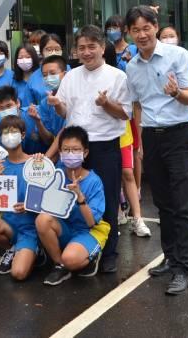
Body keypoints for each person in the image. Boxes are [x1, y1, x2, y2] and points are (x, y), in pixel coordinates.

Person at [125, 5, 188, 295]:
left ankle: (183, 268)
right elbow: (137, 106)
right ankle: (169, 257)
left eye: (146, 27)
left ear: (156, 27)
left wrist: (176, 93)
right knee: (164, 203)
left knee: (183, 205)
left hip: (179, 136)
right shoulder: (131, 66)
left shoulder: (178, 56)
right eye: (135, 29)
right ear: (129, 33)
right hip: (151, 139)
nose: (141, 34)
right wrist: (141, 142)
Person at [48, 25, 131, 273]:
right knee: (68, 196)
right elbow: (65, 112)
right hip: (73, 149)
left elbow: (125, 113)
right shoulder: (71, 76)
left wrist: (106, 104)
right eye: (81, 47)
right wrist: (56, 105)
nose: (86, 52)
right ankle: (77, 244)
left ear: (102, 47)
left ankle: (109, 253)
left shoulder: (117, 76)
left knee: (107, 199)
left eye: (91, 46)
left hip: (104, 146)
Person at [37, 126, 109, 286]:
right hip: (65, 227)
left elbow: (91, 222)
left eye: (75, 150)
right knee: (42, 220)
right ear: (60, 153)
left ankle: (90, 257)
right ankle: (59, 265)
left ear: (85, 153)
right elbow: (37, 189)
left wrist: (80, 196)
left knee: (71, 259)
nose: (70, 154)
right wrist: (37, 163)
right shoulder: (56, 173)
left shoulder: (94, 181)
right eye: (66, 150)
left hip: (87, 230)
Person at [0, 115, 41, 280]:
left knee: (18, 274)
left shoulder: (35, 163)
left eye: (13, 131)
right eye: (4, 132)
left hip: (31, 229)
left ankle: (36, 249)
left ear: (22, 135)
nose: (9, 135)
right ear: (0, 138)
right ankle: (13, 248)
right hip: (9, 226)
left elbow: (47, 197)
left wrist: (29, 205)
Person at [103, 42, 151, 238]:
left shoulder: (120, 76)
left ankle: (137, 218)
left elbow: (133, 107)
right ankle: (115, 213)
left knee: (127, 174)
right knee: (106, 177)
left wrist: (139, 137)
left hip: (122, 133)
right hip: (99, 134)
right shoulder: (81, 76)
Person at [158, 26, 188, 143]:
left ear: (178, 39)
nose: (168, 40)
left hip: (183, 125)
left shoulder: (185, 60)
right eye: (164, 37)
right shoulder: (153, 61)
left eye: (171, 36)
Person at [0, 86, 48, 154]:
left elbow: (49, 141)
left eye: (8, 106)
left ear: (17, 103)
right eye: (1, 108)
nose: (6, 111)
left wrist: (38, 122)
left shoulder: (35, 113)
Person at [35, 55, 67, 141]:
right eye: (45, 75)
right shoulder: (45, 103)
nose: (48, 78)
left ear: (64, 74)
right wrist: (38, 122)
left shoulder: (73, 97)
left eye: (53, 73)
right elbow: (48, 140)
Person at [29, 33, 66, 102]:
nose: (53, 52)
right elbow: (28, 106)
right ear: (41, 52)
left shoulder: (72, 72)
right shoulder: (33, 78)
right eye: (49, 50)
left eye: (57, 49)